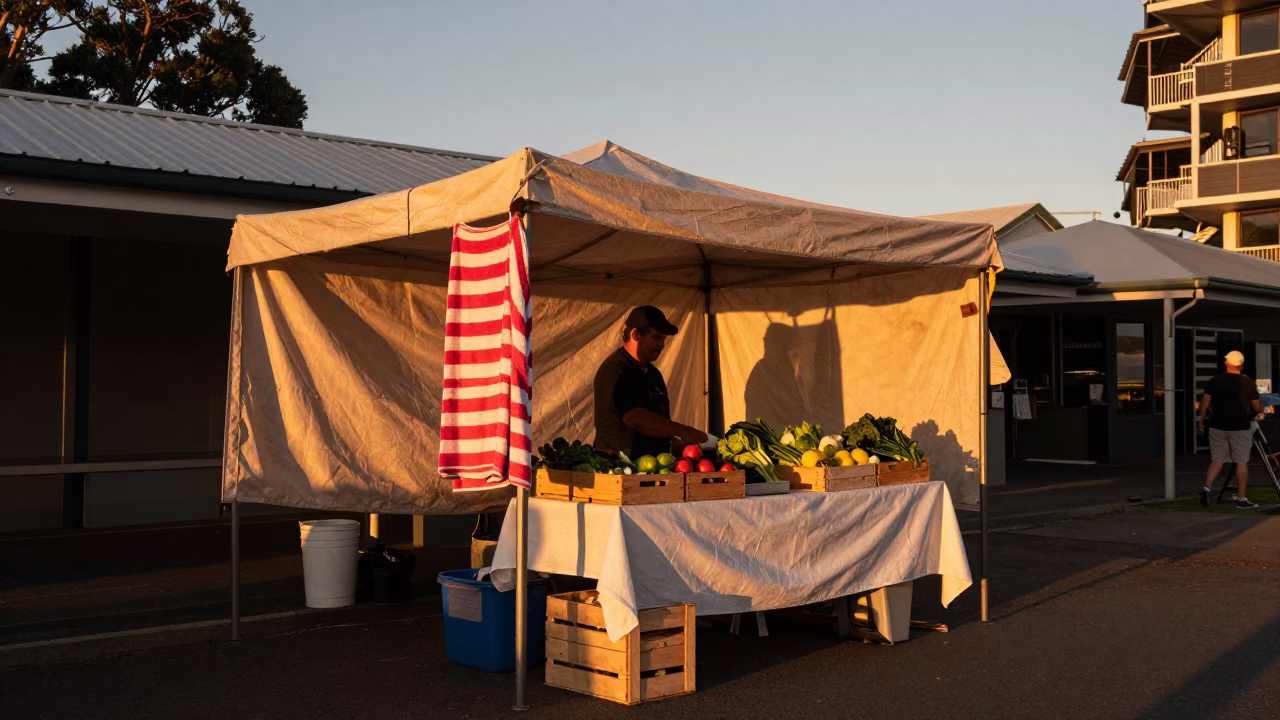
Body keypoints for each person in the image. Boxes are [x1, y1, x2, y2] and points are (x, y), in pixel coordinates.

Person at [593, 306, 708, 459]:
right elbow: (634, 417)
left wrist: (685, 445)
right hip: (619, 467)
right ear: (635, 335)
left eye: (664, 339)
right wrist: (681, 430)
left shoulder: (653, 374)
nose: (662, 345)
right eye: (657, 338)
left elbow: (660, 424)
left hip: (654, 468)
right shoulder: (615, 371)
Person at [1199, 350, 1263, 509]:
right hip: (1239, 426)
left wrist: (1201, 421)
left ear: (1226, 363)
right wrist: (1260, 411)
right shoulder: (1247, 382)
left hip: (1217, 426)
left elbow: (1205, 403)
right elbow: (1257, 406)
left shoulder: (1215, 380)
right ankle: (1242, 500)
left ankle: (1206, 488)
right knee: (1241, 462)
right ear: (1241, 364)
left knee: (1217, 459)